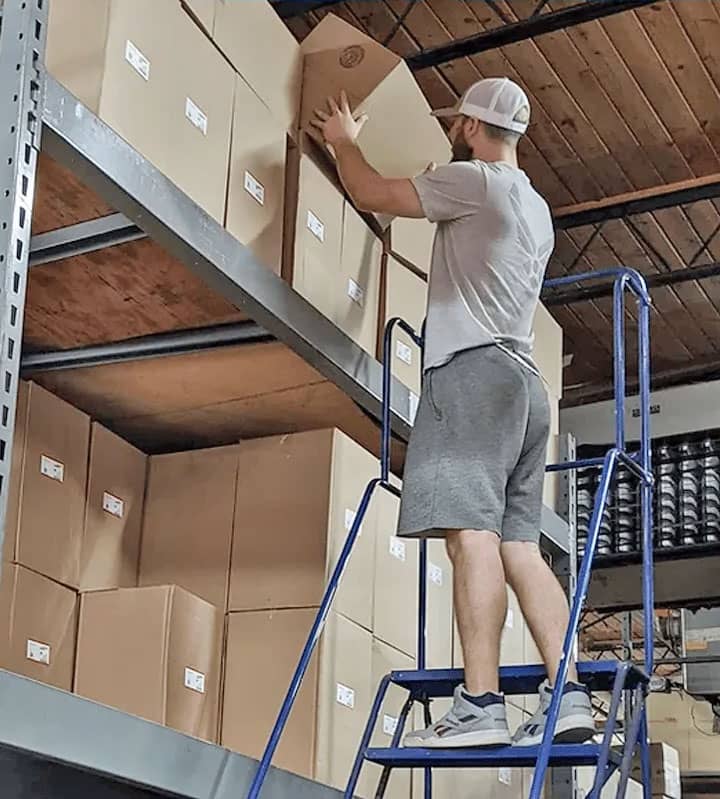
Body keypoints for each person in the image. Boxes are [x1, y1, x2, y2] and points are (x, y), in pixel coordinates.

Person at [312, 78, 595, 749]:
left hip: (472, 376)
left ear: (470, 126)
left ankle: (481, 701)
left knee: (470, 533)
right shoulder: (536, 208)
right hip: (526, 390)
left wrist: (343, 142)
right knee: (519, 545)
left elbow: (371, 192)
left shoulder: (472, 181)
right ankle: (570, 692)